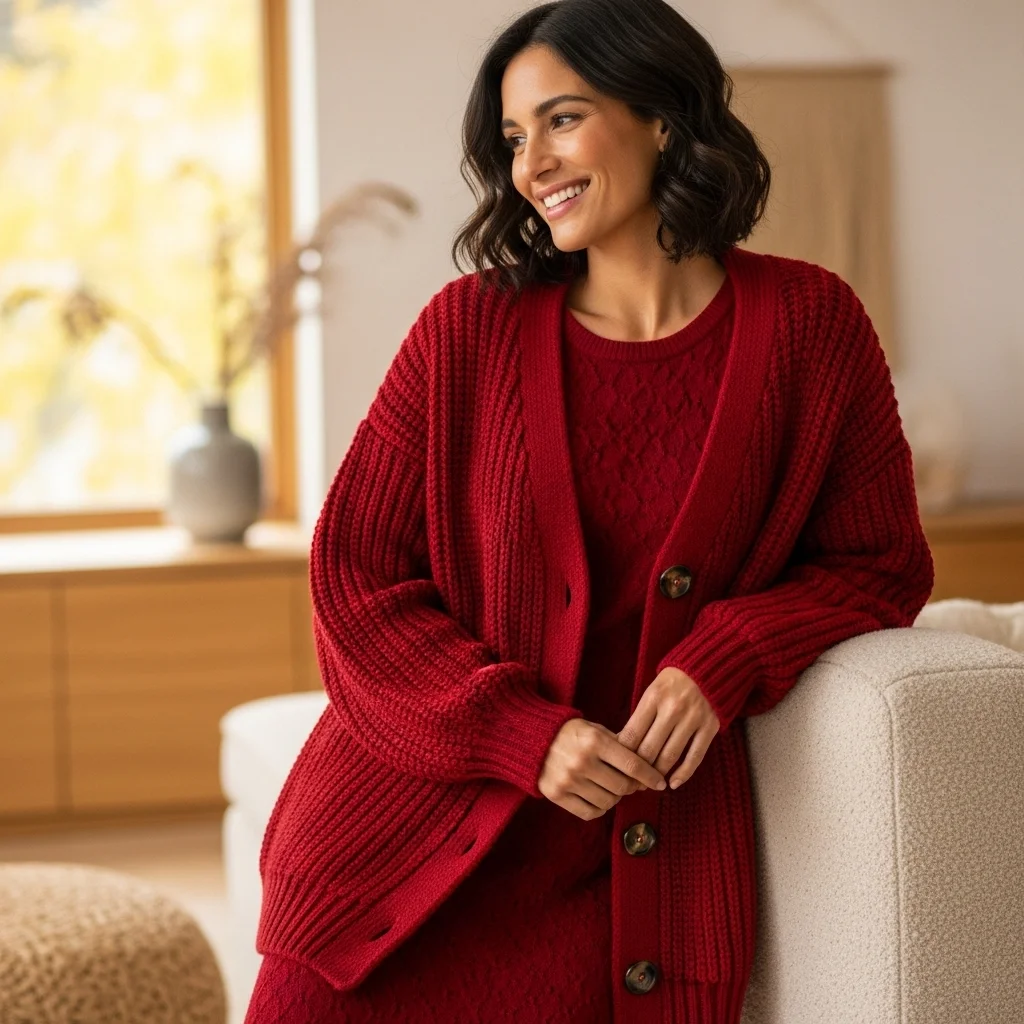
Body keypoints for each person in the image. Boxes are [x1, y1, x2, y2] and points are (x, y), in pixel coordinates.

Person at [244, 0, 935, 1021]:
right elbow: (353, 582)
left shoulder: (810, 325)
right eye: (515, 139)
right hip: (397, 863)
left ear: (662, 116)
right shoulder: (464, 333)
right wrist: (517, 732)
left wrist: (728, 655)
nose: (531, 165)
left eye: (561, 119)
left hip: (617, 891)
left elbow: (878, 563)